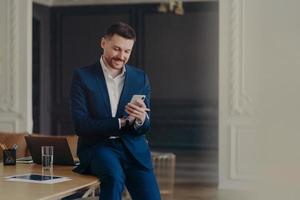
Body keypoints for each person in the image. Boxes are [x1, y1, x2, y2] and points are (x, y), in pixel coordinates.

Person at [70, 22, 161, 200]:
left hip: (134, 149)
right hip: (99, 148)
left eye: (127, 51)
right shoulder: (82, 76)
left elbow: (144, 127)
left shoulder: (140, 78)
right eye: (117, 49)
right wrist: (121, 122)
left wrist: (142, 119)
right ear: (103, 43)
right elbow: (81, 125)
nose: (121, 56)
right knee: (114, 178)